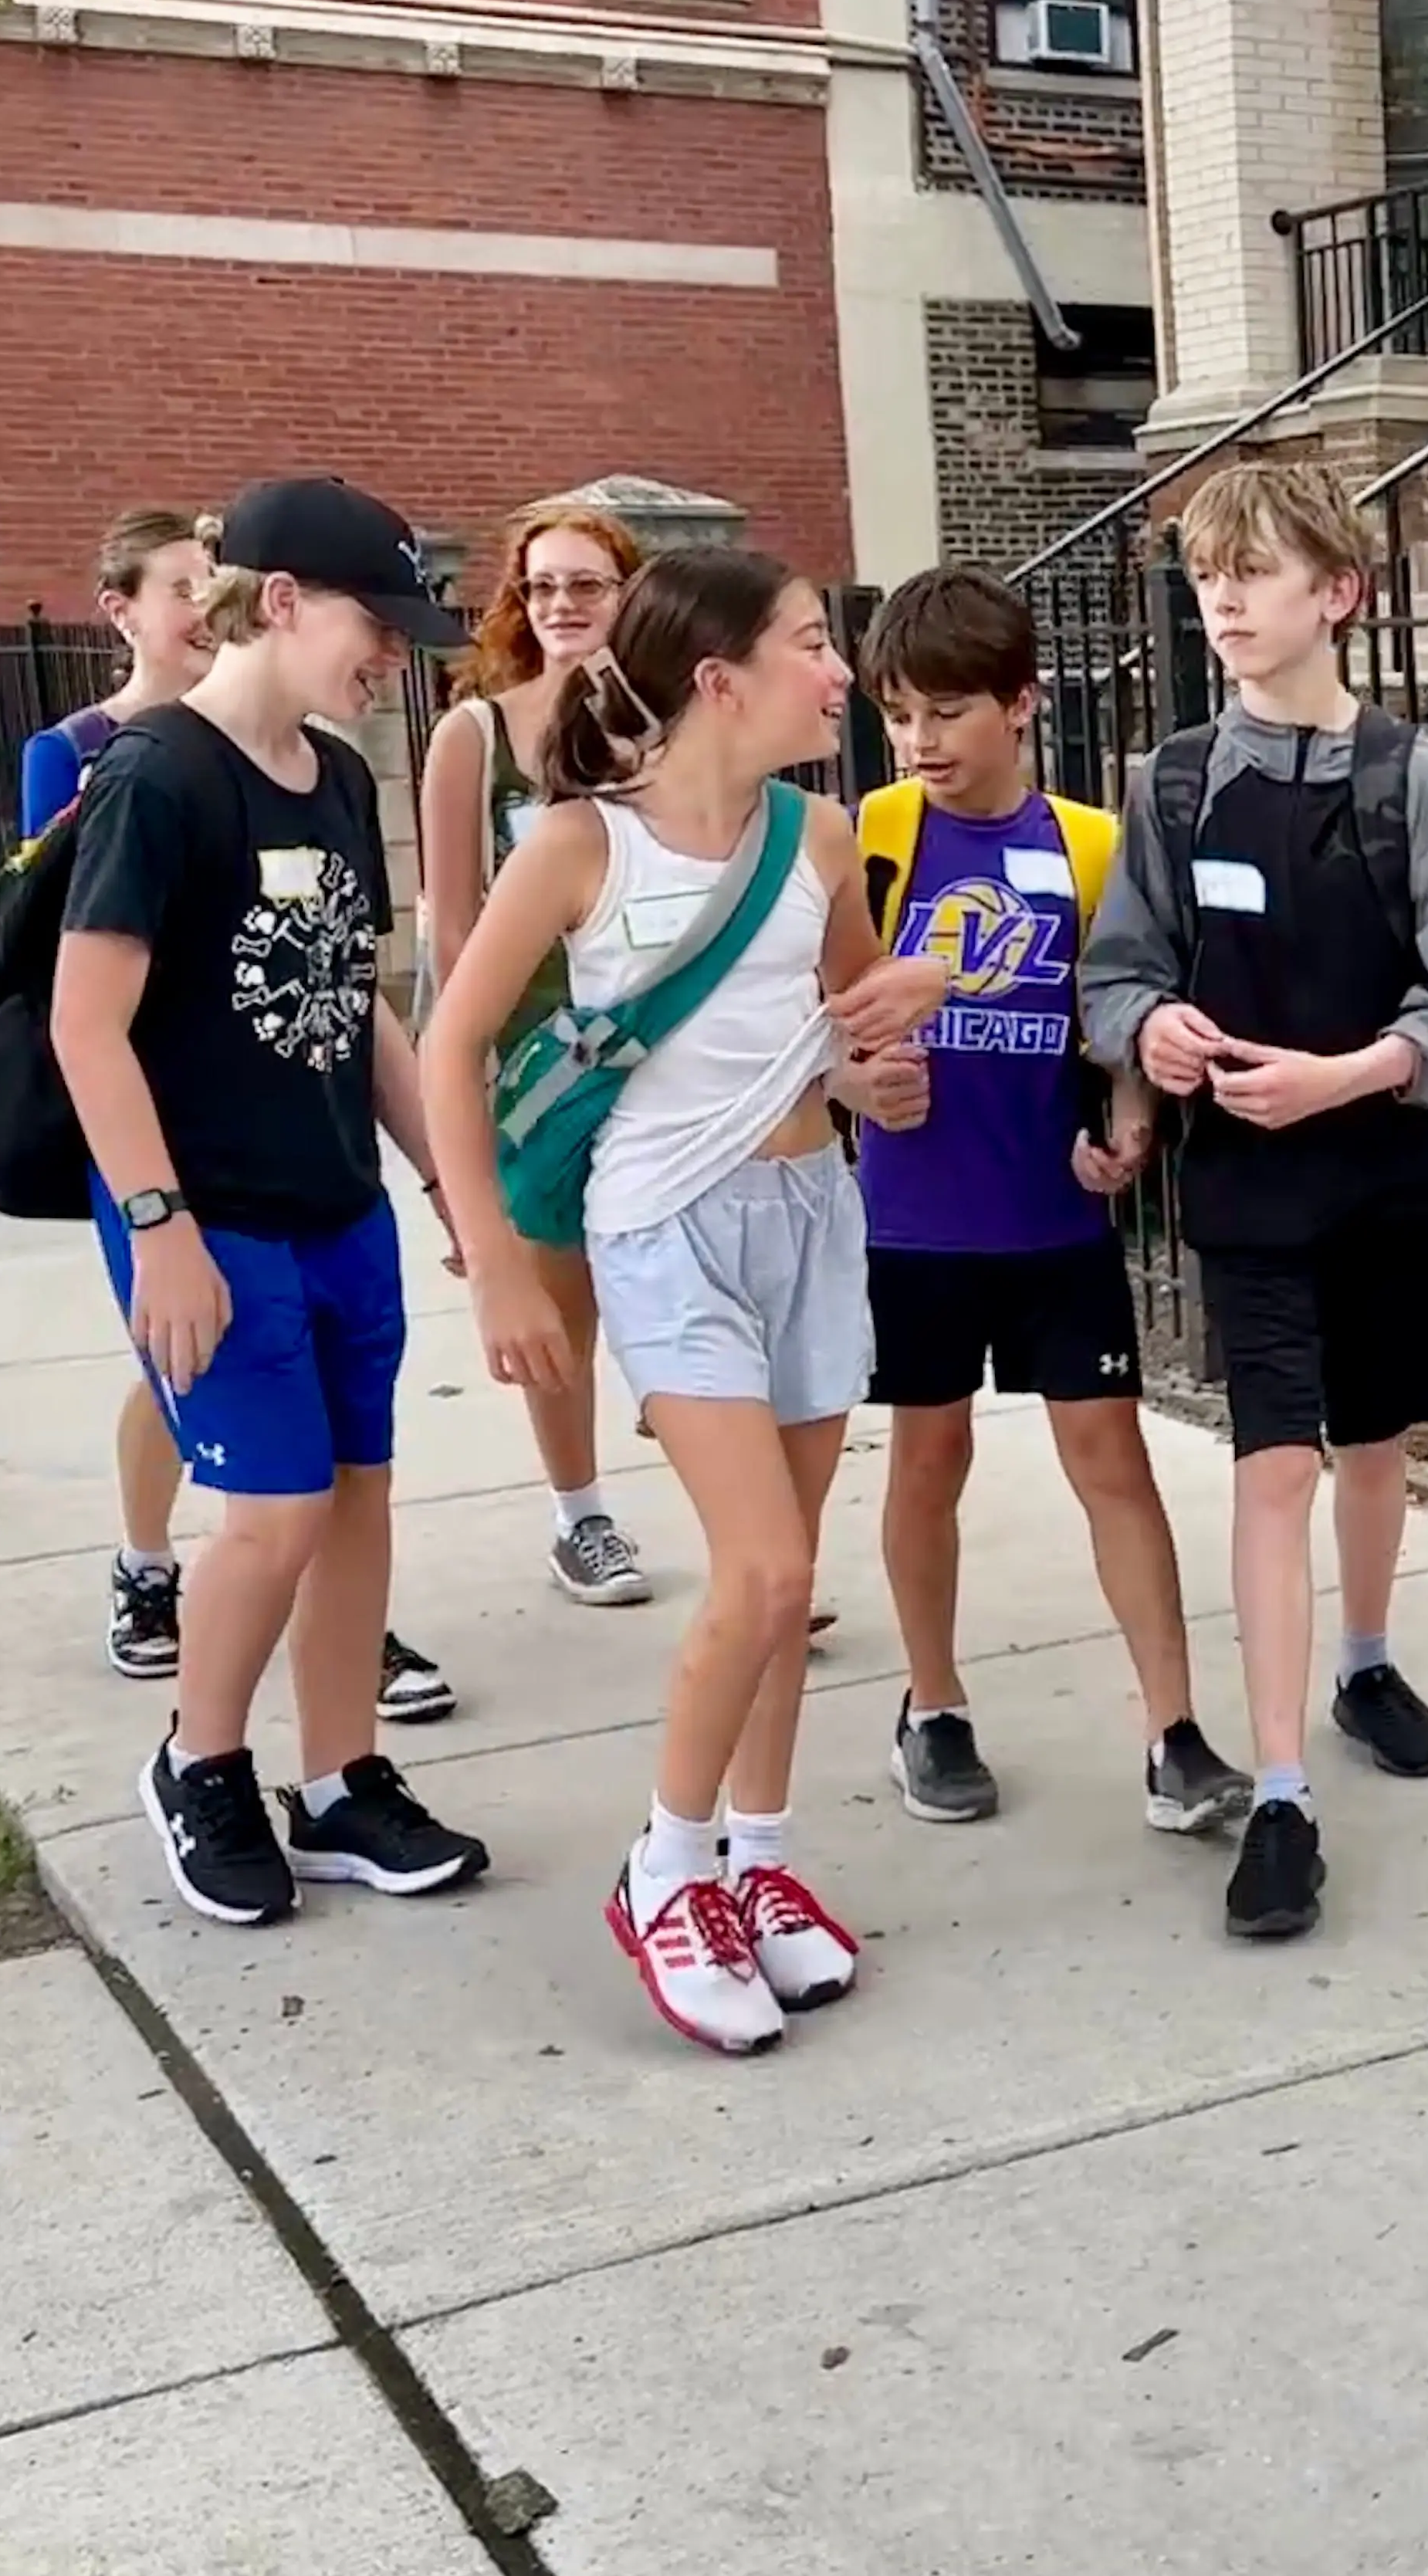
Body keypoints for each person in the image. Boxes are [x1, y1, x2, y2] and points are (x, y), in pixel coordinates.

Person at [421, 547, 942, 2056]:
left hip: (809, 1219)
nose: (840, 674)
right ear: (719, 679)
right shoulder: (581, 848)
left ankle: (759, 1861)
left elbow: (849, 1038)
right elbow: (450, 1047)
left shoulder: (823, 834)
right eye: (808, 645)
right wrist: (502, 1262)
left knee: (782, 1581)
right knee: (766, 1574)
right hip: (662, 1231)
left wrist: (892, 1053)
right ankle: (664, 1870)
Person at [1080, 460, 1428, 1945]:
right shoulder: (1175, 780)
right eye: (1209, 574)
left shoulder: (1414, 780)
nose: (1223, 598)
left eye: (1255, 572)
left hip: (1384, 1173)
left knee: (1375, 1440)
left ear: (1338, 593)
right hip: (1249, 1193)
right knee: (1275, 1466)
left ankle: (1369, 1663)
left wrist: (1343, 1078)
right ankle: (1279, 1794)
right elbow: (1118, 968)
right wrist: (1150, 1033)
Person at [46, 476, 492, 1925]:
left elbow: (351, 1007)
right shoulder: (157, 776)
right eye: (379, 625)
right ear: (284, 601)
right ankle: (203, 1760)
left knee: (357, 1490)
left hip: (333, 1198)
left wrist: (451, 1188)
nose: (394, 659)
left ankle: (345, 1775)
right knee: (271, 1510)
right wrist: (160, 1229)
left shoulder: (339, 776)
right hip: (207, 1210)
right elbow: (85, 1026)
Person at [849, 565, 1246, 1837]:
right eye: (899, 714)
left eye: (947, 712)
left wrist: (1129, 1125)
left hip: (1052, 1220)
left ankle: (1173, 1733)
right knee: (929, 1454)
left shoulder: (1088, 842)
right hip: (911, 1223)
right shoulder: (868, 836)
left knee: (1110, 1459)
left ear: (1021, 704)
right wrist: (860, 1083)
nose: (920, 742)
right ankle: (933, 1704)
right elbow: (817, 1019)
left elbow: (1120, 1019)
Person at [421, 499, 655, 1612]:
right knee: (561, 1304)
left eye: (587, 585)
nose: (562, 606)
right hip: (539, 1059)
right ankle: (580, 1515)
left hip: (663, 1043)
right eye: (542, 586)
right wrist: (470, 1072)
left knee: (681, 1287)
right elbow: (453, 923)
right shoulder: (474, 732)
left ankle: (746, 1524)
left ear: (629, 595)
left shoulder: (667, 722)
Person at [23, 505, 218, 1689]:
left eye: (217, 583)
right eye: (183, 586)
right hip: (139, 1093)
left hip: (255, 1087)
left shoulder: (265, 742)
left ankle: (309, 1575)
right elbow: (51, 933)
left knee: (290, 1361)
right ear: (124, 609)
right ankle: (148, 1563)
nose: (205, 607)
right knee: (178, 1353)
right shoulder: (79, 749)